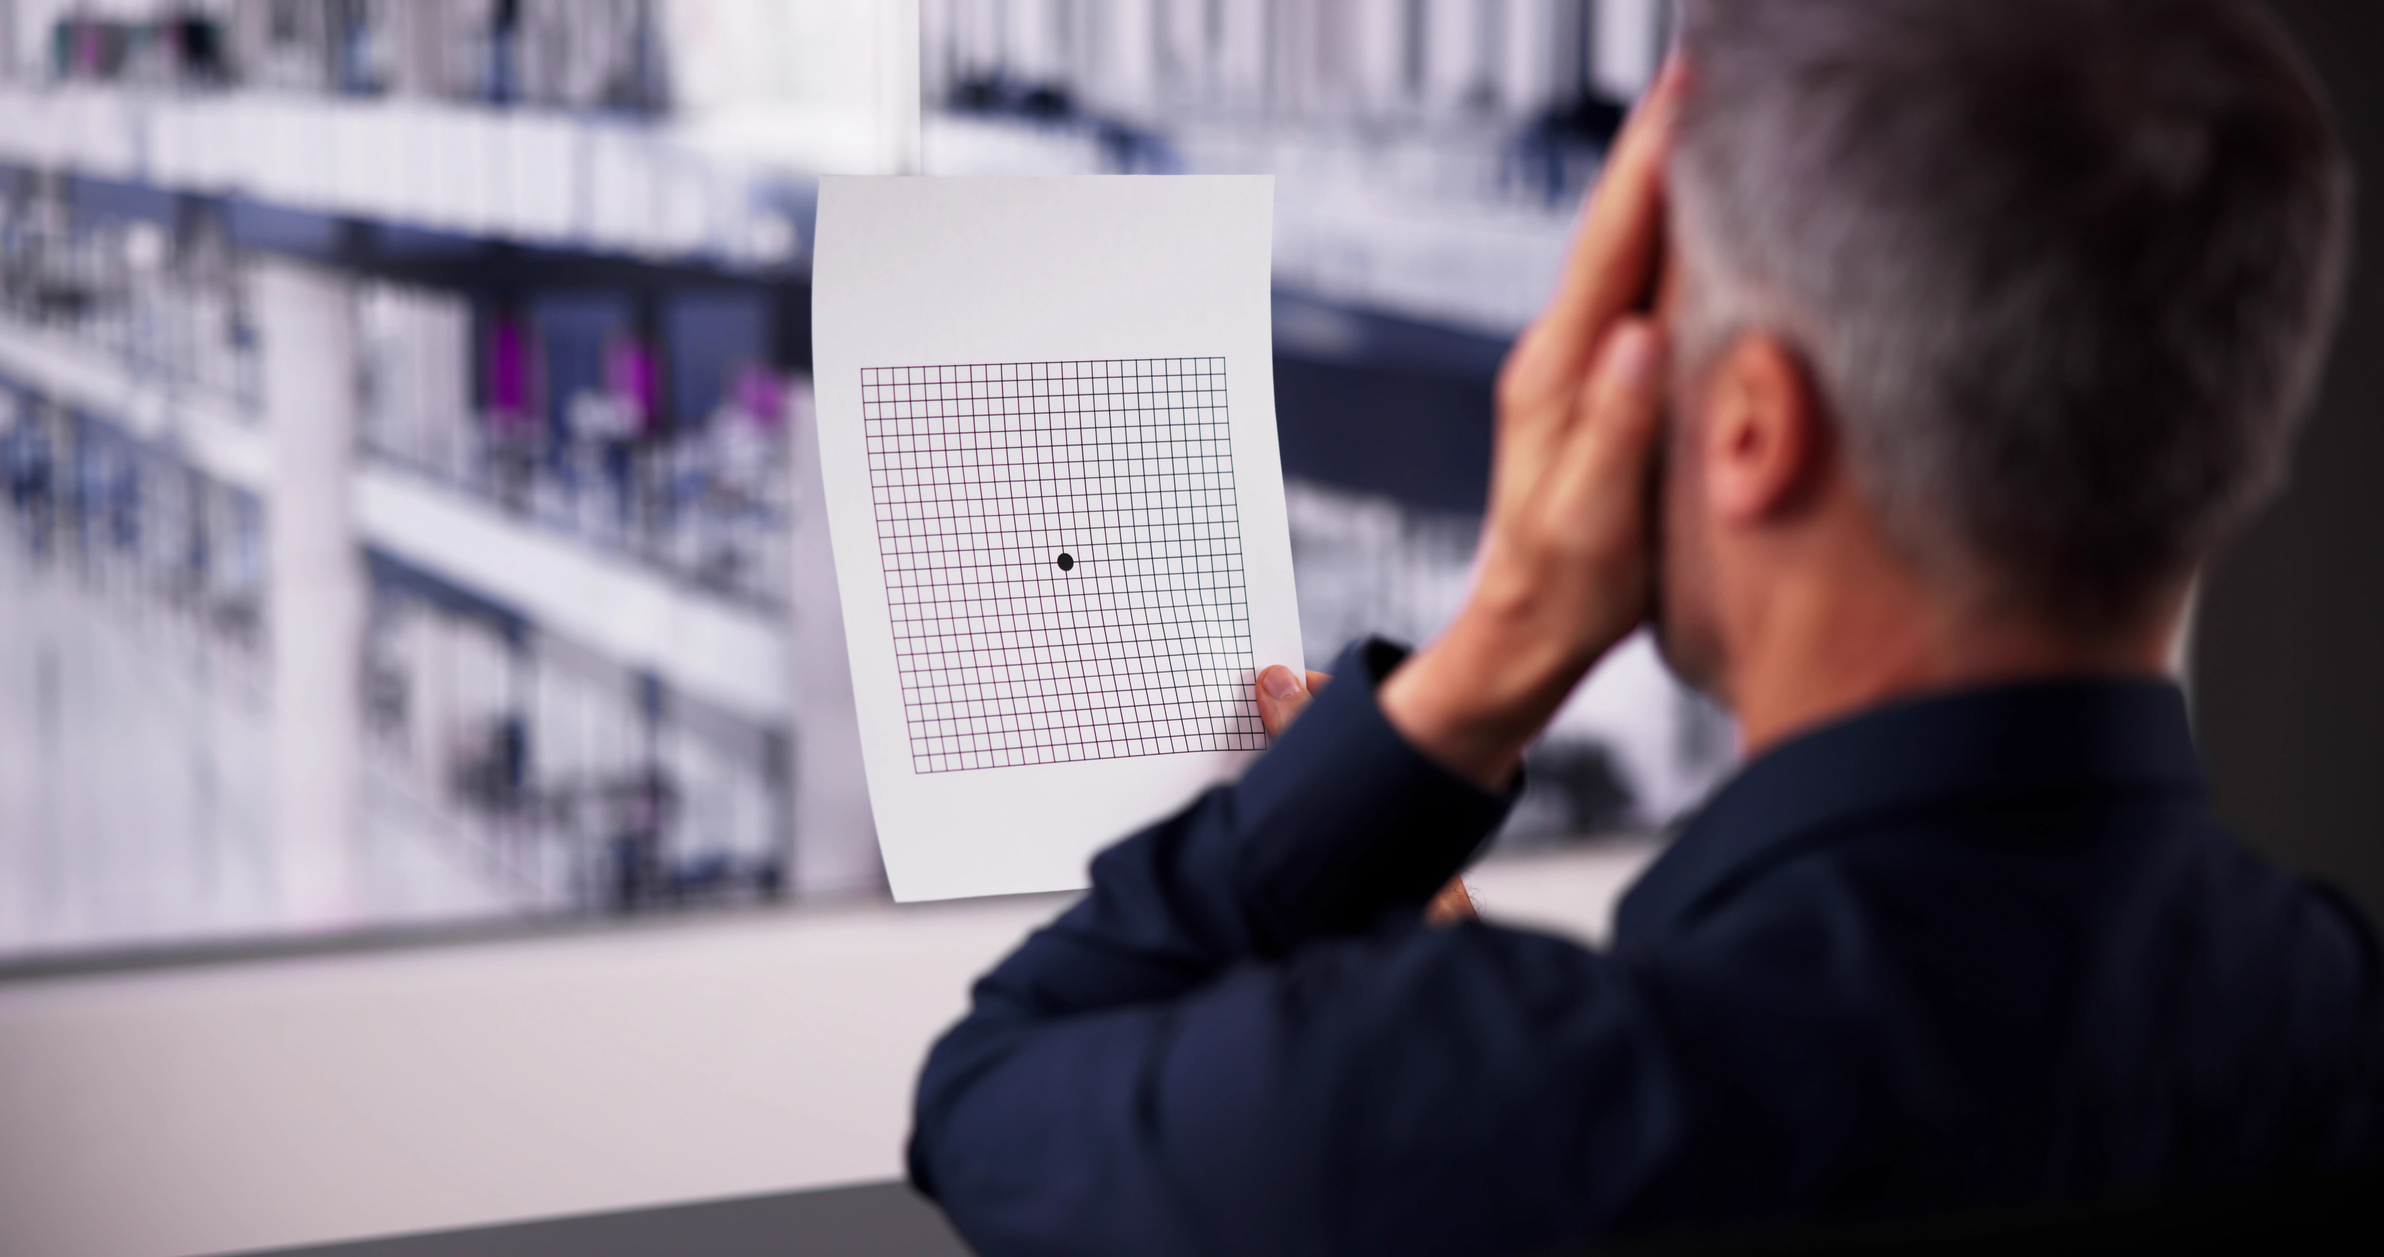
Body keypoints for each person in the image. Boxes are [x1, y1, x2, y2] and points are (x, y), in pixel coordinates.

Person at [906, 1, 2379, 1252]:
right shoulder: (2338, 1023)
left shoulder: (1480, 1115)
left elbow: (992, 1089)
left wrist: (1483, 667)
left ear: (1748, 427)